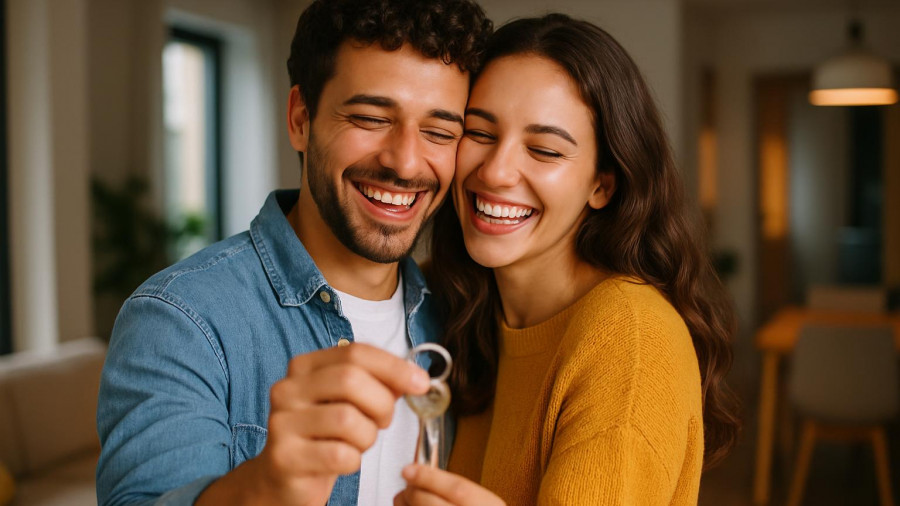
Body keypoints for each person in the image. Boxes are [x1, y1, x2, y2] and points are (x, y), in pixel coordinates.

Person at [95, 1, 491, 505]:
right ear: (301, 119)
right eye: (370, 118)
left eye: (439, 133)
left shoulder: (462, 316)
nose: (406, 162)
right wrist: (265, 487)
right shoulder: (180, 320)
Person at [395, 14, 740, 505]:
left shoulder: (629, 338)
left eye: (544, 150)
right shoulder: (448, 296)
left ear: (602, 185)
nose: (495, 172)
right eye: (480, 132)